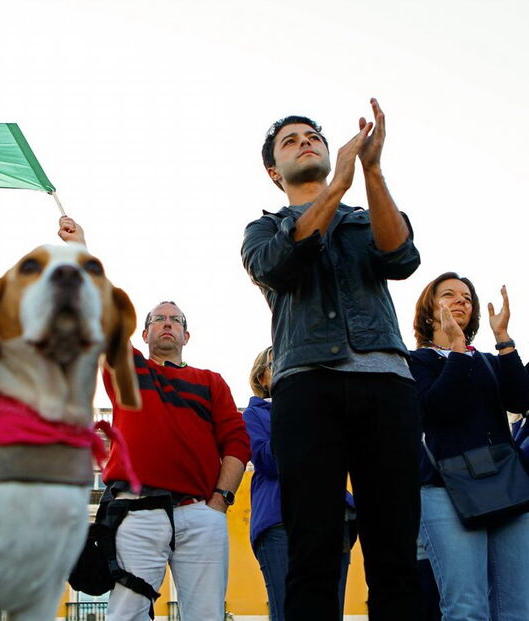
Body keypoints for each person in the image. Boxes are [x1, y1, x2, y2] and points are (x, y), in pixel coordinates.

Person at [241, 99, 423, 621]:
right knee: (313, 548)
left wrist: (371, 171)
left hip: (386, 382)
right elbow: (280, 266)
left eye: (313, 136)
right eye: (291, 141)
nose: (307, 142)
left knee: (395, 548)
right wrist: (338, 185)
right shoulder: (263, 231)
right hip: (306, 388)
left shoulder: (366, 218)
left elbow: (402, 257)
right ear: (275, 171)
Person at [59, 217, 250, 621]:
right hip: (136, 509)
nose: (167, 323)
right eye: (159, 319)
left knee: (206, 614)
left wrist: (220, 502)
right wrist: (82, 250)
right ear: (144, 334)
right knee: (126, 613)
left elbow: (237, 443)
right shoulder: (128, 369)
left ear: (186, 336)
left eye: (176, 320)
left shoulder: (211, 382)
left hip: (201, 512)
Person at [410, 273, 529, 621]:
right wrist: (457, 350)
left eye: (467, 297)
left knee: (518, 610)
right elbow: (436, 409)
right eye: (449, 295)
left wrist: (504, 339)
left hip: (506, 487)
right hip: (445, 491)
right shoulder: (417, 362)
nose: (462, 301)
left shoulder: (489, 361)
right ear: (429, 312)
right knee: (467, 609)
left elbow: (521, 398)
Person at [242, 346, 354, 621]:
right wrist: (291, 407)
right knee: (288, 612)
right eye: (275, 363)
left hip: (333, 518)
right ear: (263, 378)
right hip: (280, 521)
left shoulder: (326, 409)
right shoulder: (255, 415)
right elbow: (269, 461)